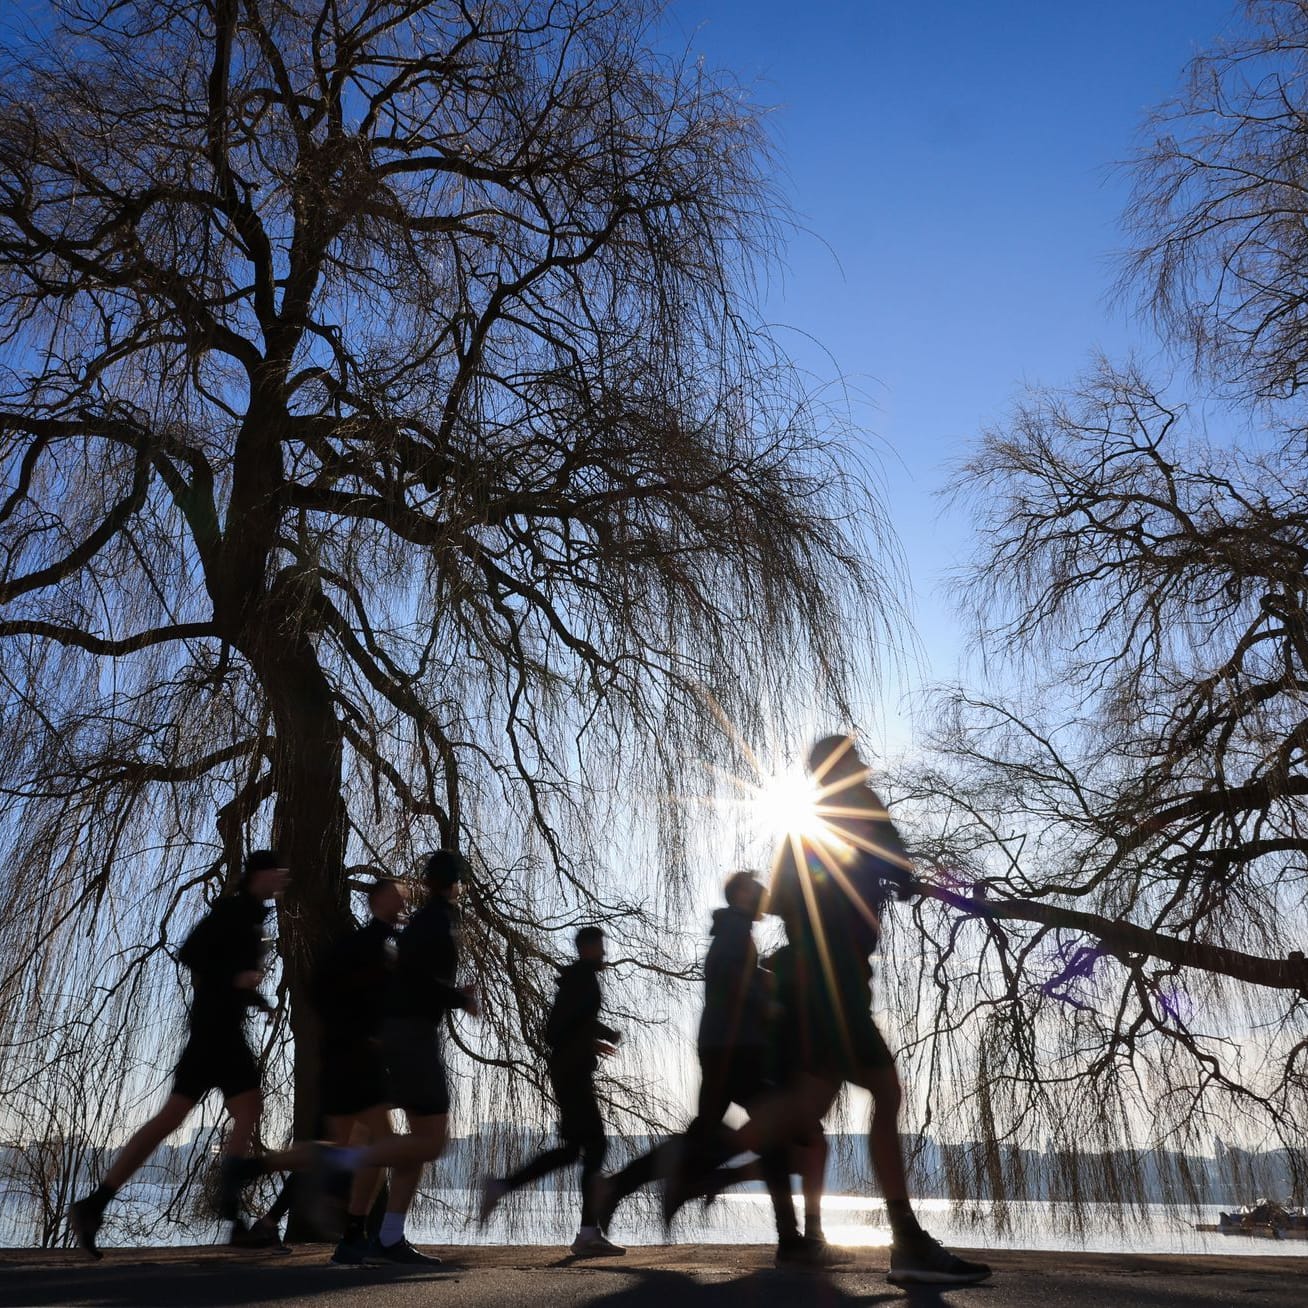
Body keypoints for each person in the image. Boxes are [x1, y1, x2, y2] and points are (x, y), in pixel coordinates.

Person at [669, 735, 992, 1288]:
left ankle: (695, 1165)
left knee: (806, 1106)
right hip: (833, 984)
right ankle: (907, 1239)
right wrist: (920, 883)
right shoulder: (860, 809)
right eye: (853, 763)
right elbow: (901, 871)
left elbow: (785, 901)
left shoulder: (802, 830)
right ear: (841, 769)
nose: (862, 769)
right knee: (882, 1092)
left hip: (819, 981)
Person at [68, 849, 290, 1258]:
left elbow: (226, 972)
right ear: (261, 874)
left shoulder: (253, 915)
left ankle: (94, 1204)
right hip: (215, 1032)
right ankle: (231, 1206)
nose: (282, 881)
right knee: (240, 1106)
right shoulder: (233, 910)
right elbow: (193, 954)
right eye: (278, 873)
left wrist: (257, 999)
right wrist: (237, 978)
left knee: (182, 1116)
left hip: (217, 1029)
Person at [598, 873, 818, 1265]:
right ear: (740, 894)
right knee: (770, 1130)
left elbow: (735, 974)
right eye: (756, 888)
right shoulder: (734, 927)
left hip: (727, 1045)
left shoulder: (735, 930)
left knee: (714, 1133)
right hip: (735, 1047)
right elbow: (728, 975)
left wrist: (766, 979)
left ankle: (621, 1186)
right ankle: (788, 1238)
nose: (764, 894)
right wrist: (769, 1001)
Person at [323, 849, 480, 1265]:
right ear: (455, 883)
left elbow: (407, 976)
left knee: (406, 1142)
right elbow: (414, 980)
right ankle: (339, 1166)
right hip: (411, 1036)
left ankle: (367, 1236)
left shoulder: (421, 924)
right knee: (431, 1140)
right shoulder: (437, 921)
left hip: (400, 1033)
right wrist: (458, 998)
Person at [478, 926, 624, 1256]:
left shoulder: (578, 978)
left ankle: (504, 1187)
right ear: (587, 948)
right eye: (600, 946)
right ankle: (587, 1233)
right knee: (596, 1145)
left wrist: (591, 1041)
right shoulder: (582, 979)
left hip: (568, 1070)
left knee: (575, 1150)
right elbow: (558, 1027)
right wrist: (604, 1033)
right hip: (571, 1074)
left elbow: (563, 1028)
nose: (604, 952)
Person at [314, 877, 409, 1267]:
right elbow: (325, 990)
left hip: (350, 1053)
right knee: (379, 1143)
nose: (404, 901)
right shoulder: (369, 944)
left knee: (358, 1143)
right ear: (379, 900)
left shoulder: (380, 943)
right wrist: (364, 1033)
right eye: (398, 895)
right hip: (357, 1054)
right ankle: (366, 1232)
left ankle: (352, 1232)